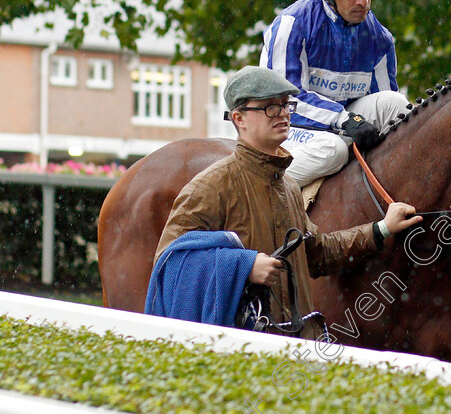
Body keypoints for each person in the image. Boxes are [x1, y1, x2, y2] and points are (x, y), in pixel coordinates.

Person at [146, 66, 422, 338]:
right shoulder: (209, 187)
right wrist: (243, 266)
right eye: (269, 106)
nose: (282, 113)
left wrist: (383, 228)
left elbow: (318, 254)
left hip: (291, 348)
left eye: (285, 104)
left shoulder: (289, 187)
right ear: (239, 119)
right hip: (236, 353)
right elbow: (169, 266)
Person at [259, 0, 410, 186]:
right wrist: (342, 119)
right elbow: (285, 101)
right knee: (335, 150)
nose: (363, 1)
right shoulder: (292, 24)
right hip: (284, 123)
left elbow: (384, 110)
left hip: (344, 124)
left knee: (396, 104)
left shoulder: (380, 38)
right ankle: (258, 190)